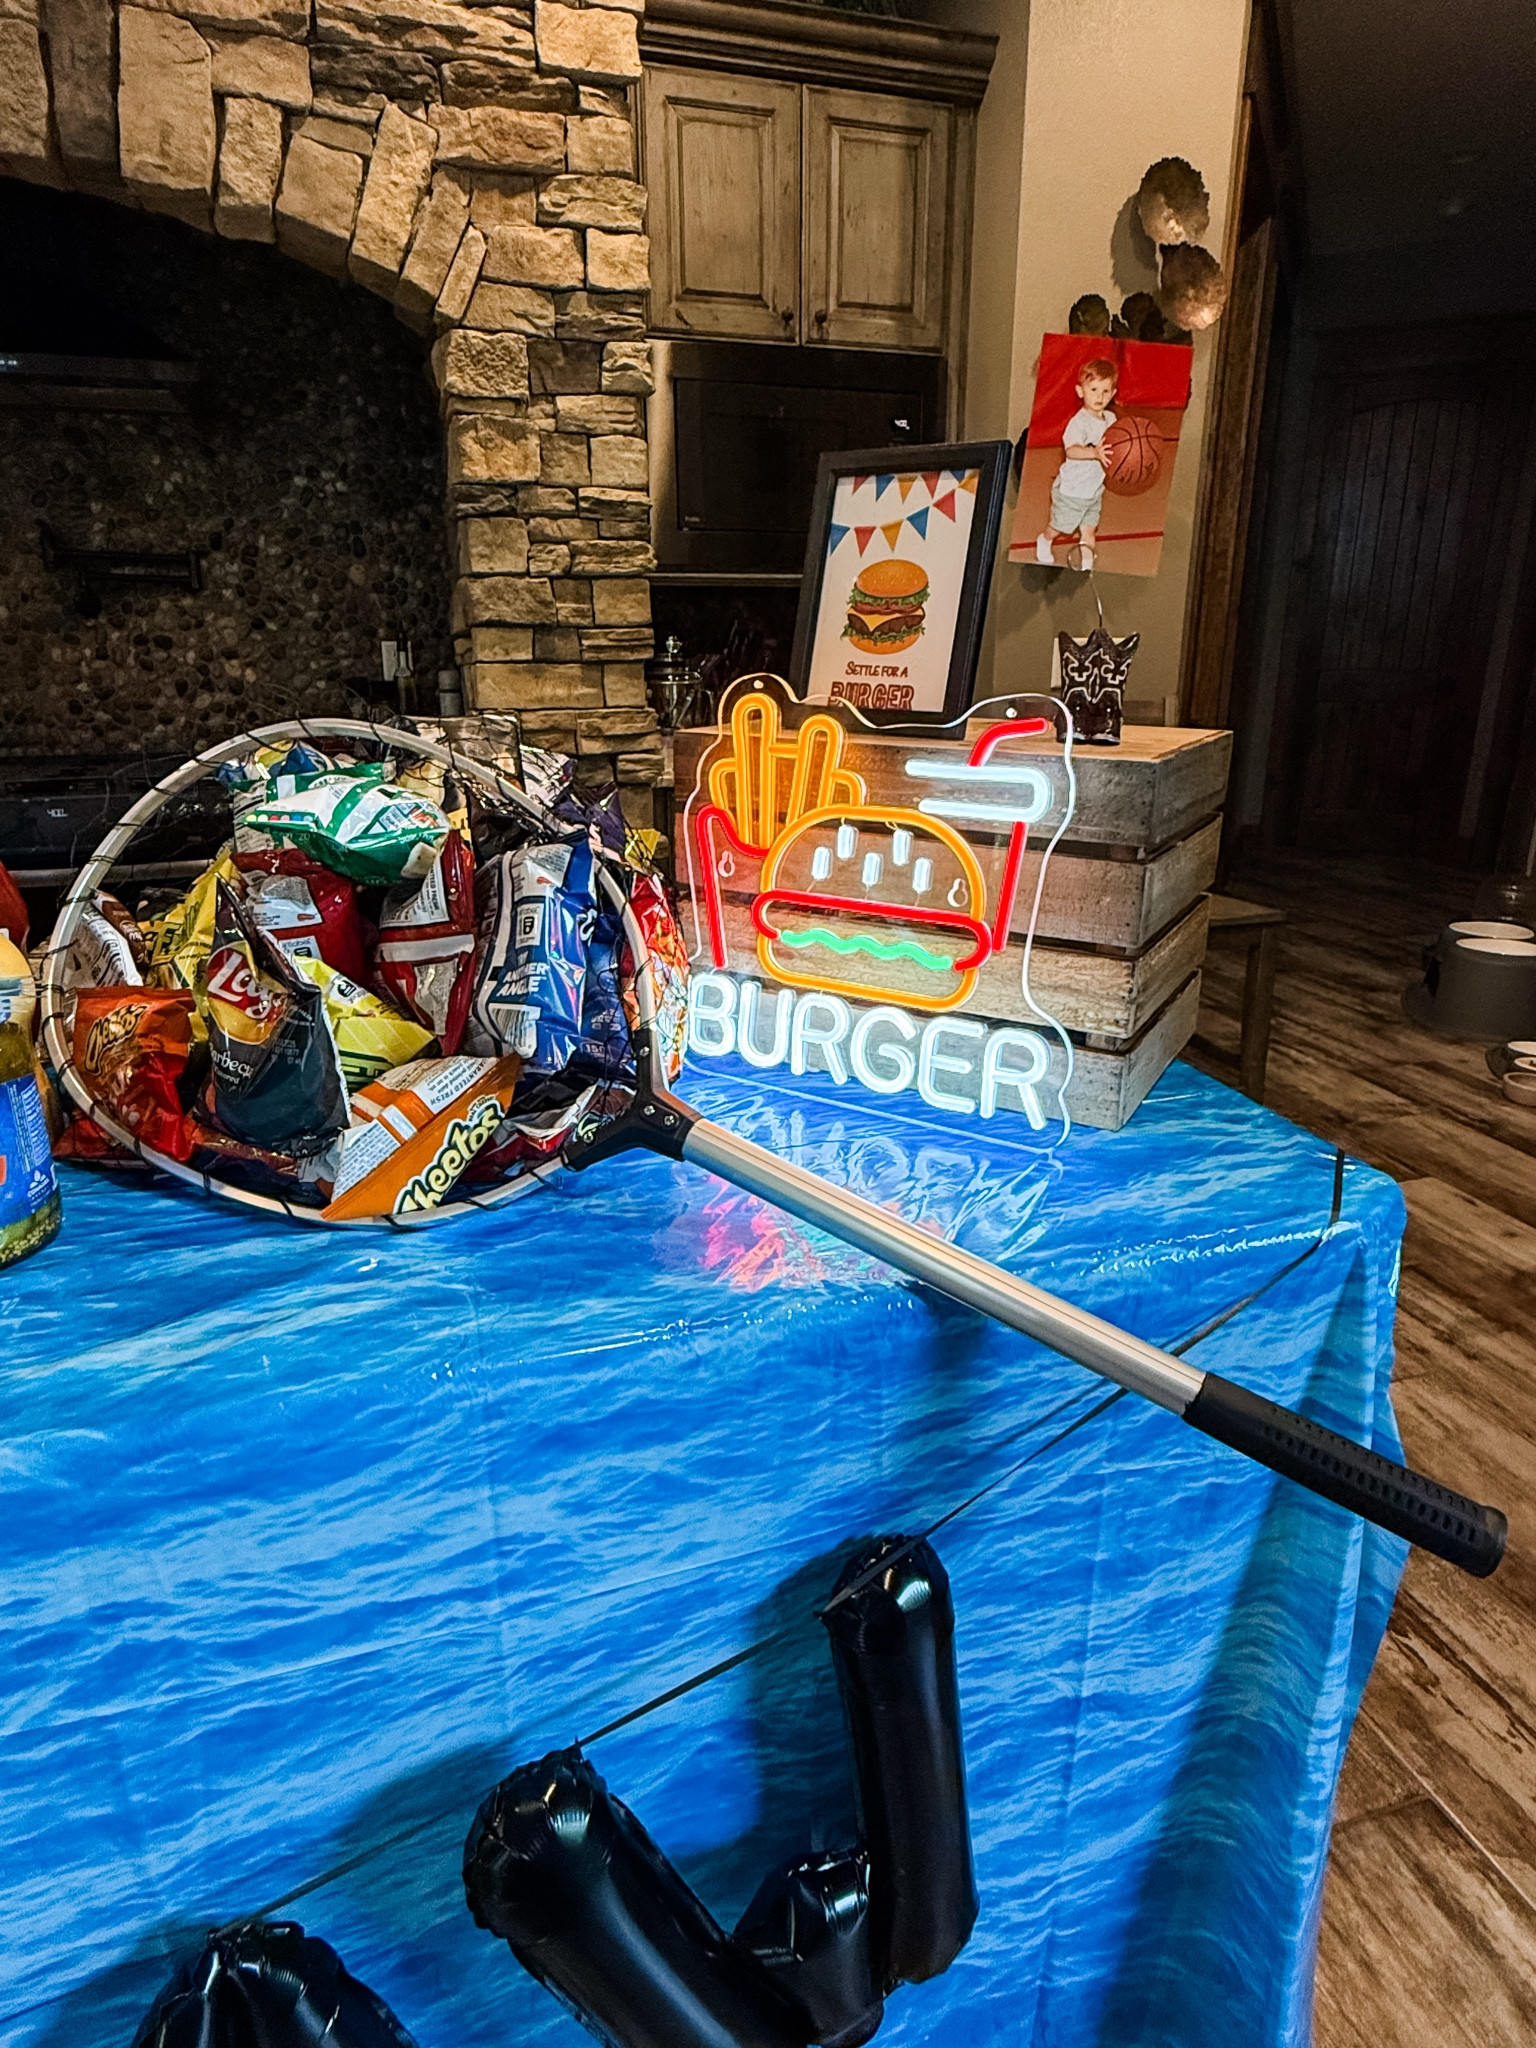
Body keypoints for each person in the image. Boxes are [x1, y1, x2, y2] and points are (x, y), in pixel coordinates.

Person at [1036, 358, 1118, 570]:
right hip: (1072, 490)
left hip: (1094, 491)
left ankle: (1087, 565)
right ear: (1080, 391)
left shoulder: (1111, 420)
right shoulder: (1078, 423)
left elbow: (1118, 446)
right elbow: (1071, 450)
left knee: (1089, 531)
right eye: (1093, 389)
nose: (1100, 396)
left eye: (1106, 391)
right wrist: (1095, 452)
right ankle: (1044, 540)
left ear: (1114, 394)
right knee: (1059, 527)